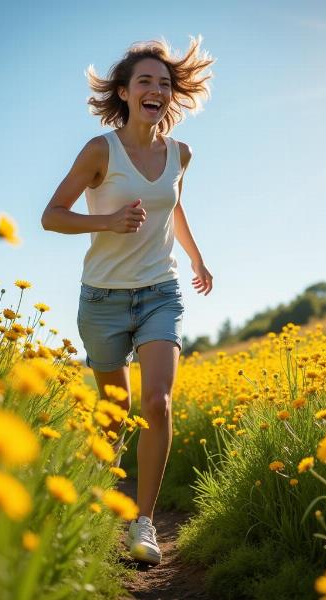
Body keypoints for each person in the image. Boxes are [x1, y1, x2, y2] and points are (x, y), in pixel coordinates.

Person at [41, 36, 215, 566]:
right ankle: (94, 511)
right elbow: (52, 215)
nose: (156, 90)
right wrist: (108, 222)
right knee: (113, 418)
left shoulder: (180, 154)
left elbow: (174, 208)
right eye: (145, 81)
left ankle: (144, 524)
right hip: (103, 299)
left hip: (161, 292)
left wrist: (197, 260)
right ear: (124, 91)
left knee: (157, 404)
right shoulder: (101, 151)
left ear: (171, 95)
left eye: (164, 83)